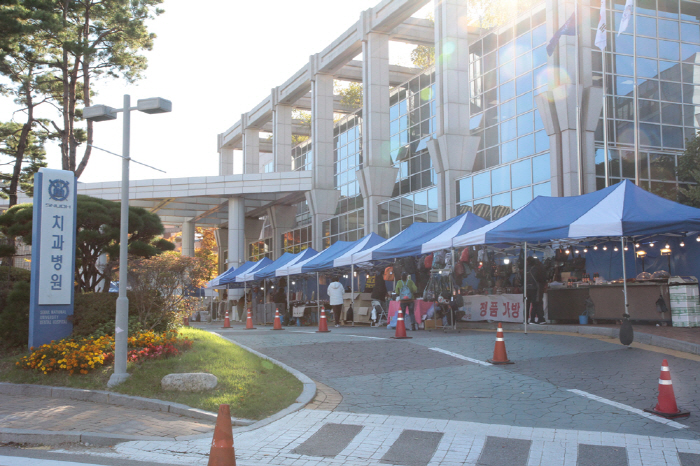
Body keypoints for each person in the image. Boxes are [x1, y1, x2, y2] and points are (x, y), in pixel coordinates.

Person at [526, 257, 547, 324]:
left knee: (527, 304)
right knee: (536, 303)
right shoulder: (537, 268)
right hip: (536, 288)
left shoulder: (525, 269)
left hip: (526, 288)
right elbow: (542, 278)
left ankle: (526, 320)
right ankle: (537, 319)